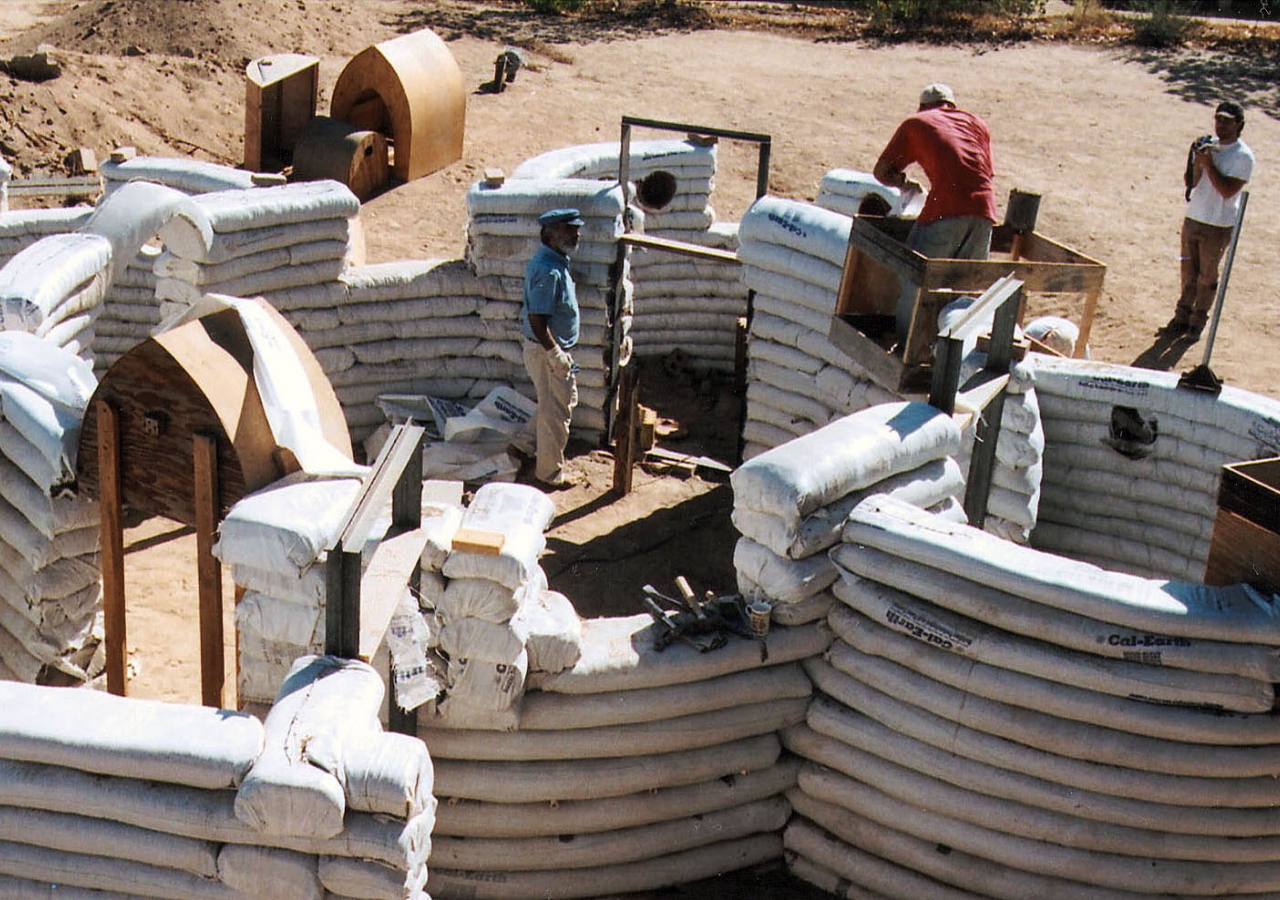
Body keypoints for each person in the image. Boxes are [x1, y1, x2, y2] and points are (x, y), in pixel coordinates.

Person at [873, 83, 998, 343]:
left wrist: (903, 182)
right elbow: (978, 173)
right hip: (985, 210)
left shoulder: (917, 122)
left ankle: (907, 347)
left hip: (946, 207)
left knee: (916, 276)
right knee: (967, 289)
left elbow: (882, 171)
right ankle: (957, 354)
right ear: (953, 106)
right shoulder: (977, 124)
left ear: (922, 107)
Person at [1167, 100, 1254, 341]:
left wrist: (1208, 164)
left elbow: (1227, 191)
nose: (1221, 125)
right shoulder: (1208, 146)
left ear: (1239, 125)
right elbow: (1192, 183)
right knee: (1188, 270)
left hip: (1218, 224)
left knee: (1207, 276)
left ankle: (1198, 320)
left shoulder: (1243, 156)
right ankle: (1181, 316)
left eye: (1227, 121)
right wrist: (1197, 161)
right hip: (1195, 217)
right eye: (1218, 119)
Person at [521, 207, 583, 490]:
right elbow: (537, 319)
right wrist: (555, 354)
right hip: (547, 352)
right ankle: (549, 474)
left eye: (576, 228)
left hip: (547, 351)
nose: (576, 233)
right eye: (569, 229)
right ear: (550, 233)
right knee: (555, 414)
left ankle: (527, 451)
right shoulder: (548, 270)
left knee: (552, 408)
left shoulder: (556, 262)